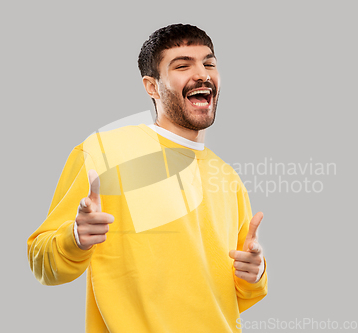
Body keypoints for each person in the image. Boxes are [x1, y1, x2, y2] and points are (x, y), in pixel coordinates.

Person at [28, 23, 268, 332]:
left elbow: (237, 294)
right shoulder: (103, 151)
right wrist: (75, 238)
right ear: (152, 87)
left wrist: (255, 273)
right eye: (183, 65)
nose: (203, 74)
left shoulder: (227, 177)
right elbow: (42, 262)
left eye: (209, 63)